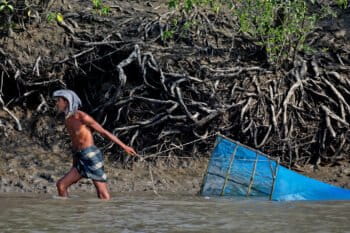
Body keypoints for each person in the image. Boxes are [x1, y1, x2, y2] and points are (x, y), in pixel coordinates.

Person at [53, 89, 136, 200]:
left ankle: (108, 215)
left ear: (66, 101)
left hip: (91, 155)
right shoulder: (67, 120)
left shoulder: (81, 116)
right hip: (80, 157)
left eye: (58, 100)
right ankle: (69, 214)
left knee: (102, 194)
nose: (56, 103)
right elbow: (75, 142)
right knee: (61, 185)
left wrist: (124, 146)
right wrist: (75, 162)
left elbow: (103, 131)